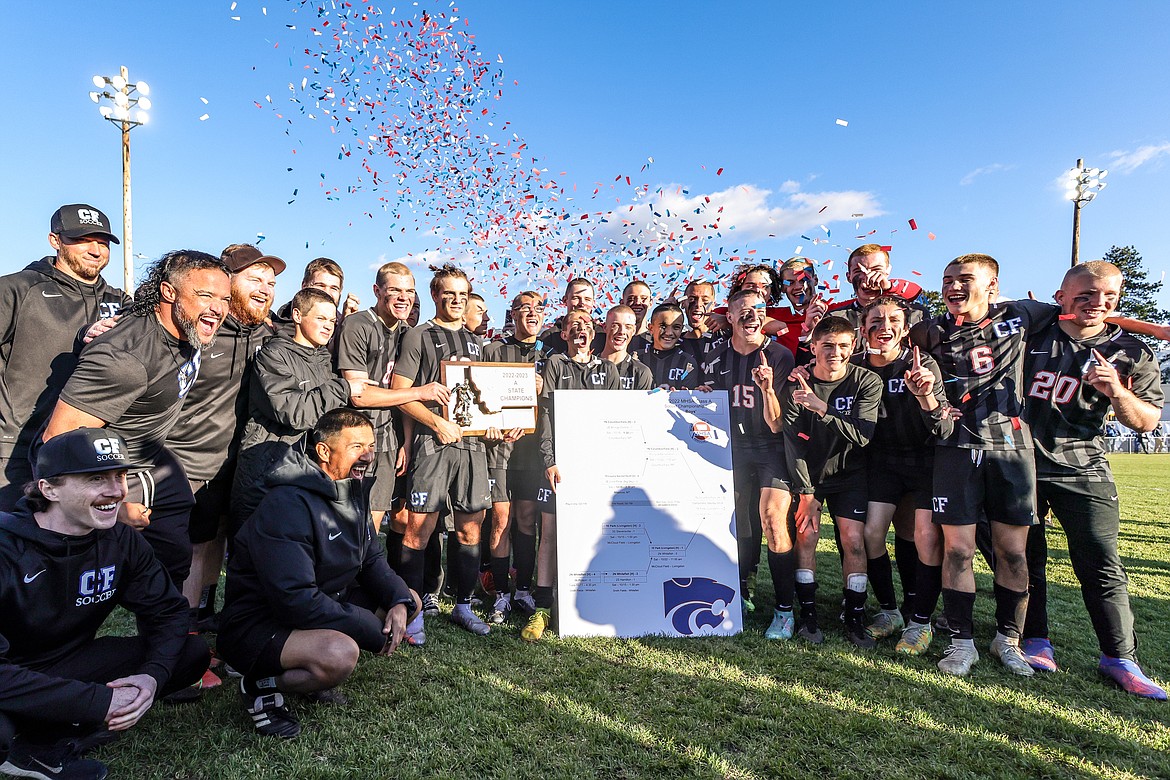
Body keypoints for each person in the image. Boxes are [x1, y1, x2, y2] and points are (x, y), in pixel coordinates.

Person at [0, 429, 207, 779]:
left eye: (120, 475)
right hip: (8, 676)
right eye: (96, 478)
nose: (115, 491)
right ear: (49, 489)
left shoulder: (119, 539)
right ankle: (36, 742)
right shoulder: (7, 549)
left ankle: (49, 734)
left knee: (191, 653)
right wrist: (100, 701)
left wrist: (151, 677)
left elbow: (168, 612)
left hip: (66, 664)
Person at [218, 410, 420, 738]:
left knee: (409, 600)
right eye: (357, 447)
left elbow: (372, 561)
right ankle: (258, 685)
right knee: (340, 655)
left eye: (371, 446)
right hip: (258, 624)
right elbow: (294, 600)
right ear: (324, 452)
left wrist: (397, 600)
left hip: (317, 606)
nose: (368, 456)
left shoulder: (351, 489)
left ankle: (307, 671)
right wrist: (366, 627)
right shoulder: (286, 503)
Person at [1019, 261, 1166, 698]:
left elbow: (1147, 421)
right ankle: (1035, 639)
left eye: (1108, 297)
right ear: (1061, 296)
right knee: (1025, 560)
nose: (1097, 305)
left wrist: (1117, 391)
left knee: (1101, 562)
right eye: (1084, 295)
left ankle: (1120, 657)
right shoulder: (1032, 333)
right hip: (1020, 461)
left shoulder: (1131, 351)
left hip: (1083, 464)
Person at [43, 252, 232, 590]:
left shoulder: (187, 327)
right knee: (82, 580)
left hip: (149, 457)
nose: (218, 308)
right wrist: (109, 505)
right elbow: (56, 441)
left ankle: (172, 631)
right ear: (168, 292)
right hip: (100, 469)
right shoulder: (125, 359)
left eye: (224, 299)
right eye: (205, 295)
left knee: (173, 561)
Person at [909, 253, 1059, 677]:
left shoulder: (1023, 313)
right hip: (955, 447)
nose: (954, 286)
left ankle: (1008, 640)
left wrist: (1154, 330)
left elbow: (1083, 315)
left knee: (1013, 552)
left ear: (993, 285)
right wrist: (927, 397)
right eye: (948, 279)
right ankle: (961, 642)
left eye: (964, 279)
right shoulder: (928, 331)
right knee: (957, 549)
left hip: (1011, 447)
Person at [166, 245, 283, 652]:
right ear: (226, 281)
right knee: (192, 551)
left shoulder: (268, 334)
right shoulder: (195, 329)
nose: (266, 289)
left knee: (218, 543)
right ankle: (181, 644)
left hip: (240, 463)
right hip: (189, 461)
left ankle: (207, 620)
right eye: (255, 279)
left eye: (271, 283)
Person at [391, 265, 511, 641]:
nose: (456, 300)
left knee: (471, 528)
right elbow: (401, 393)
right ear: (435, 296)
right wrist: (435, 422)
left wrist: (493, 423)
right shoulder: (418, 335)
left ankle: (463, 605)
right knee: (418, 528)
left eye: (463, 294)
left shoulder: (477, 343)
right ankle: (413, 611)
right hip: (435, 443)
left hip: (473, 446)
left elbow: (484, 399)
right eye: (449, 293)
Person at [0, 204, 130, 511]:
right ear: (55, 240)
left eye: (102, 242)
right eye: (83, 239)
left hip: (89, 456)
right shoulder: (16, 289)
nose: (96, 250)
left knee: (71, 553)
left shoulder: (121, 303)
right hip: (15, 452)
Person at [845, 298, 952, 651]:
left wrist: (925, 396)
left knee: (923, 535)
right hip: (882, 462)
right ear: (863, 330)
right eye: (875, 321)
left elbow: (941, 425)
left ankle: (921, 621)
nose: (884, 327)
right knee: (872, 533)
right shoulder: (855, 365)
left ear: (905, 330)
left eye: (893, 321)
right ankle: (890, 611)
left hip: (924, 461)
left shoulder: (922, 365)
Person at [230, 288, 368, 537]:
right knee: (253, 558)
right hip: (267, 473)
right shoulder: (273, 355)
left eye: (332, 321)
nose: (328, 326)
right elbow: (293, 412)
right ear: (297, 315)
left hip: (306, 475)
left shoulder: (325, 359)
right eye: (320, 318)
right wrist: (342, 387)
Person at [784, 316, 883, 649]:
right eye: (827, 345)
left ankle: (854, 618)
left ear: (853, 347)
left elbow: (863, 436)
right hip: (809, 476)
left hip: (849, 474)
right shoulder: (796, 383)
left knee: (854, 541)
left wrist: (822, 408)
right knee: (806, 537)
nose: (835, 353)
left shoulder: (867, 382)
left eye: (842, 345)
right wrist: (806, 492)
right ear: (813, 348)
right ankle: (808, 617)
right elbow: (791, 442)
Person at [702, 289, 796, 630]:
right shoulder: (714, 357)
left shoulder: (780, 355)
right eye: (743, 310)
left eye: (758, 310)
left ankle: (785, 611)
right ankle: (738, 592)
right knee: (734, 524)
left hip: (771, 447)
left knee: (772, 519)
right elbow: (704, 409)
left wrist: (768, 389)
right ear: (730, 318)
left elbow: (777, 423)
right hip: (732, 447)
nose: (752, 316)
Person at [525, 310, 620, 641]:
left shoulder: (608, 369)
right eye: (573, 327)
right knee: (549, 533)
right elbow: (547, 416)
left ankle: (591, 602)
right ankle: (541, 608)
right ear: (563, 334)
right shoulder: (555, 365)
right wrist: (549, 460)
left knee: (594, 532)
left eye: (586, 327)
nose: (580, 332)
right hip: (558, 466)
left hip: (594, 467)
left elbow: (613, 420)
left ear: (595, 334)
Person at [335, 262, 449, 536]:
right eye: (395, 290)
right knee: (345, 521)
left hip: (388, 436)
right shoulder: (358, 324)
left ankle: (367, 577)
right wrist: (419, 393)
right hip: (355, 433)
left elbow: (400, 398)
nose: (404, 298)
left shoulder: (406, 333)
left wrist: (406, 442)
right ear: (377, 291)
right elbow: (359, 394)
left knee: (374, 521)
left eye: (409, 291)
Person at [480, 291, 548, 624]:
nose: (531, 313)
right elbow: (480, 394)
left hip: (532, 450)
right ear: (513, 314)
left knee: (525, 519)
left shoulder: (550, 352)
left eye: (538, 308)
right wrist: (489, 425)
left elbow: (554, 400)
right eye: (525, 308)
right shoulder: (493, 350)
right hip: (499, 447)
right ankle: (501, 594)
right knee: (500, 521)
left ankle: (523, 589)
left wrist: (541, 390)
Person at [271, 257, 360, 338]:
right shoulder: (275, 327)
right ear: (304, 286)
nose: (327, 293)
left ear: (340, 292)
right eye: (320, 285)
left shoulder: (347, 326)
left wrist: (346, 327)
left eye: (334, 288)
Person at [637, 302, 703, 390]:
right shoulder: (636, 358)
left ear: (681, 329)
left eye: (676, 327)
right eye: (663, 326)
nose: (669, 333)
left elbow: (689, 399)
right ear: (651, 328)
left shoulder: (688, 363)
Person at [540, 277, 605, 355]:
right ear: (565, 300)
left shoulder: (602, 336)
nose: (582, 303)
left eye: (587, 299)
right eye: (576, 298)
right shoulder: (550, 337)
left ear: (593, 303)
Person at [599, 305, 654, 390]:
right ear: (605, 327)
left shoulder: (641, 372)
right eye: (615, 325)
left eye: (628, 327)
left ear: (634, 330)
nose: (622, 332)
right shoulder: (589, 367)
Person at [621, 279, 653, 350]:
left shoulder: (657, 341)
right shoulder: (612, 339)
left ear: (650, 303)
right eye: (631, 299)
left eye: (643, 298)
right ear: (622, 303)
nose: (638, 303)